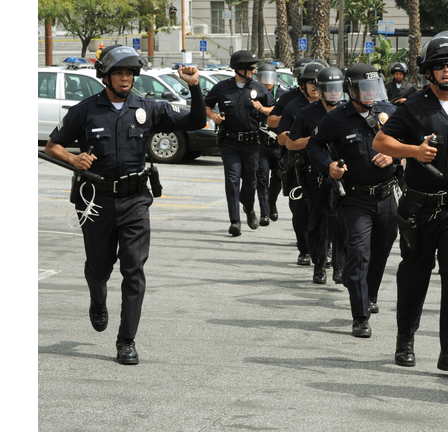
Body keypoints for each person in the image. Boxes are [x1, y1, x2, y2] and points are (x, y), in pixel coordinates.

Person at [44, 45, 206, 365]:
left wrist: (195, 86)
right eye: (118, 72)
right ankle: (97, 297)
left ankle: (126, 341)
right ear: (105, 76)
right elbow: (52, 147)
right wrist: (74, 159)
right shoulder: (86, 110)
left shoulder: (148, 108)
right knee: (99, 268)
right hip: (97, 201)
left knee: (134, 270)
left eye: (130, 73)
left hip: (135, 201)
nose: (124, 78)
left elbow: (196, 121)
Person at [373, 31, 448, 374]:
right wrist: (414, 152)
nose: (446, 71)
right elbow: (380, 141)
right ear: (429, 72)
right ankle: (405, 338)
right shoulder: (414, 107)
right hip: (420, 209)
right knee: (415, 274)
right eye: (439, 66)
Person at [306, 63, 399, 338]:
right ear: (351, 90)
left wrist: (395, 156)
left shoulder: (390, 113)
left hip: (387, 194)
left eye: (374, 87)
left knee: (382, 251)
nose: (370, 93)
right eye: (363, 88)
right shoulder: (337, 118)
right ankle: (360, 316)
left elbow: (412, 143)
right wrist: (329, 166)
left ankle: (370, 294)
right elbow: (314, 145)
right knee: (359, 254)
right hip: (355, 198)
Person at [205, 50, 275, 236]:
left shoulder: (259, 89)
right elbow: (207, 105)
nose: (254, 71)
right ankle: (235, 221)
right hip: (230, 142)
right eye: (251, 68)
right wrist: (214, 116)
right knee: (232, 179)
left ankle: (249, 208)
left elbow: (275, 109)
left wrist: (262, 108)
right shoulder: (222, 88)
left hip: (252, 143)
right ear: (240, 70)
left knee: (250, 180)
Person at [285, 62, 338, 284]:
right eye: (329, 88)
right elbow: (291, 144)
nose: (333, 93)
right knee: (317, 222)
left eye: (337, 88)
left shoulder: (347, 112)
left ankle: (339, 266)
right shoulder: (306, 113)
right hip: (314, 175)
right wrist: (316, 139)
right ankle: (319, 265)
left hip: (340, 174)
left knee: (340, 222)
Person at [275, 60, 328, 268]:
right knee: (300, 212)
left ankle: (326, 249)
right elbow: (281, 138)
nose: (315, 86)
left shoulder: (334, 106)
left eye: (319, 82)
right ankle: (304, 249)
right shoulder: (293, 107)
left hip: (325, 166)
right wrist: (309, 138)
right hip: (297, 166)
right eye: (310, 82)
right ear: (301, 85)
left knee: (327, 211)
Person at [255, 63, 287, 226]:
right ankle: (264, 213)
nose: (266, 82)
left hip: (278, 144)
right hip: (261, 143)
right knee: (261, 178)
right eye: (263, 78)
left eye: (269, 78)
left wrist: (263, 109)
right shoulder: (254, 93)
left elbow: (281, 113)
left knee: (278, 177)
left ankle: (271, 202)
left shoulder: (282, 94)